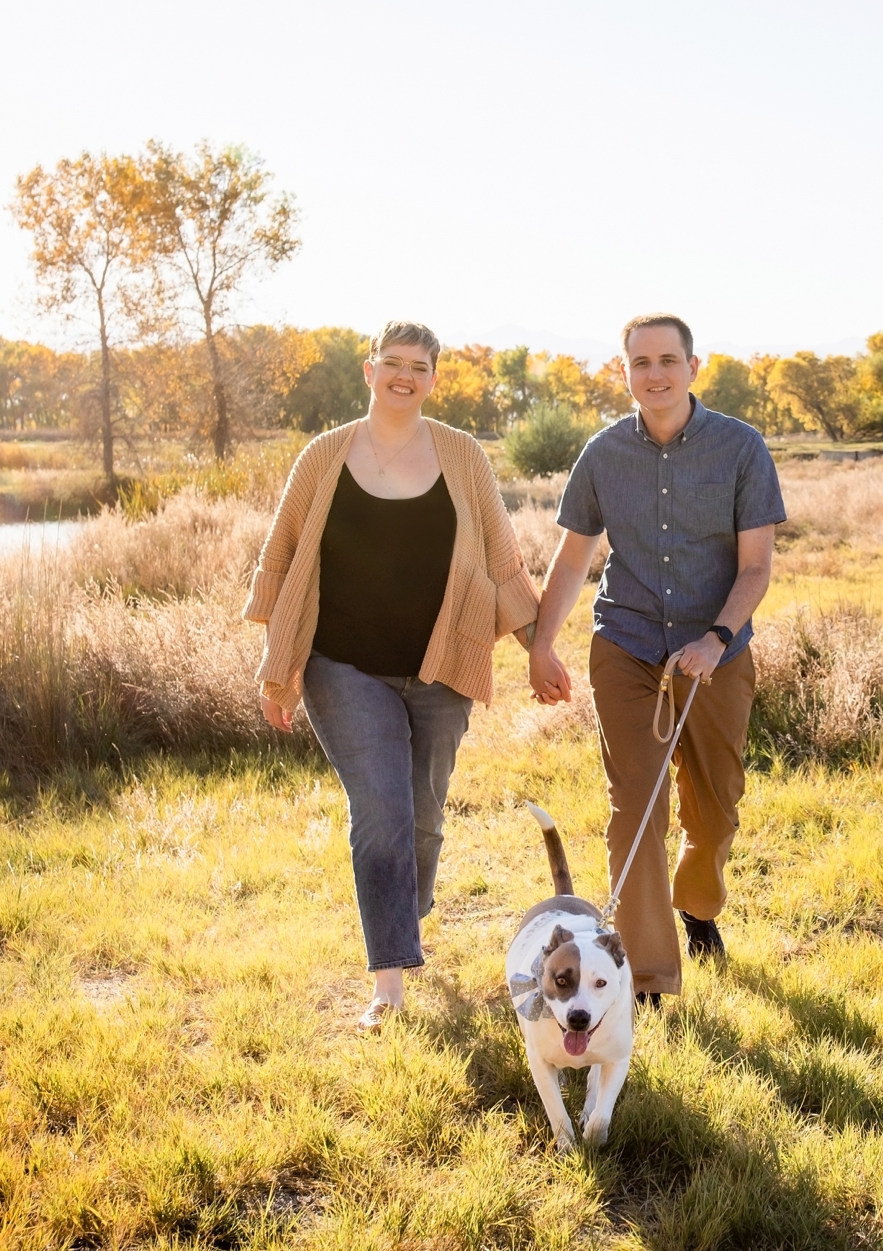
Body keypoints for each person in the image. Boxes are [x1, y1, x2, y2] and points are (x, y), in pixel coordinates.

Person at [245, 321, 541, 1031]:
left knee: (423, 818)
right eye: (393, 363)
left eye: (420, 366)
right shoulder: (325, 455)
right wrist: (277, 666)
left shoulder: (463, 455)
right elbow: (283, 554)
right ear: (369, 369)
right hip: (340, 666)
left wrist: (540, 648)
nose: (404, 376)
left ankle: (403, 914)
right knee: (381, 814)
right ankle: (388, 983)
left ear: (434, 378)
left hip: (440, 662)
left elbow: (502, 559)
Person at [527, 313, 787, 1004]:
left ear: (694, 366)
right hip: (629, 646)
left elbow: (757, 567)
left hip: (715, 654)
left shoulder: (740, 447)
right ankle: (646, 978)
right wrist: (542, 642)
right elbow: (574, 555)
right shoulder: (603, 454)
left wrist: (716, 638)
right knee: (635, 808)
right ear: (625, 372)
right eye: (640, 362)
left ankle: (697, 905)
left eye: (668, 359)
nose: (655, 374)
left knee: (715, 809)